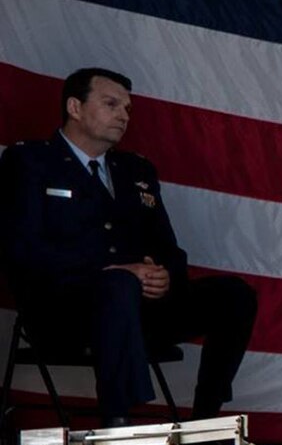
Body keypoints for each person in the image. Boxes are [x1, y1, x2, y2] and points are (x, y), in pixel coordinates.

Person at [0, 69, 257, 426]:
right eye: (111, 104)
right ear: (75, 107)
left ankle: (206, 419)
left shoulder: (135, 169)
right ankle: (117, 423)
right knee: (118, 285)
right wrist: (110, 271)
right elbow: (21, 248)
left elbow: (168, 248)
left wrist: (164, 274)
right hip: (65, 311)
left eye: (127, 108)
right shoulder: (30, 162)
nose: (123, 115)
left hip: (139, 309)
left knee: (234, 294)